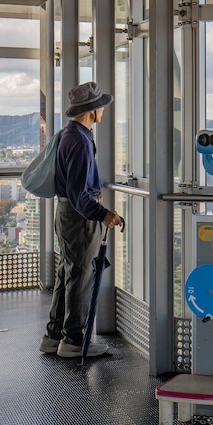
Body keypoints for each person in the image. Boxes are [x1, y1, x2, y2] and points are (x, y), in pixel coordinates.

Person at [40, 81, 126, 358]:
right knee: (81, 276)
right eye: (100, 105)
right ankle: (75, 341)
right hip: (78, 217)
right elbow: (80, 192)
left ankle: (55, 336)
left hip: (66, 213)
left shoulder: (70, 134)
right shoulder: (79, 140)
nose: (102, 109)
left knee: (68, 272)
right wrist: (104, 214)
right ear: (92, 110)